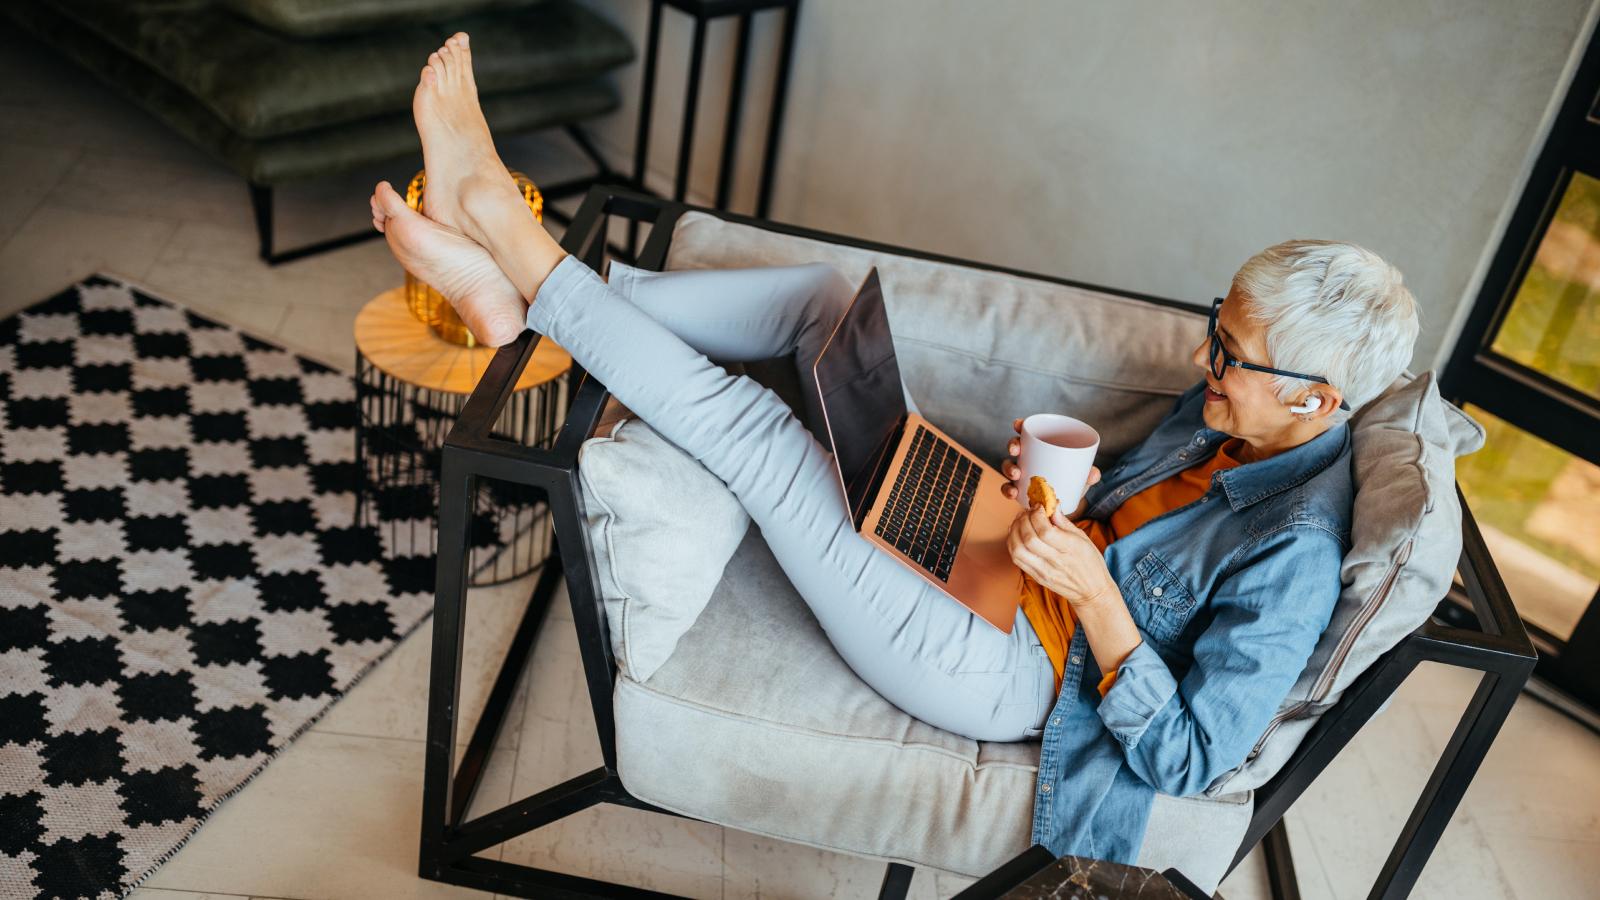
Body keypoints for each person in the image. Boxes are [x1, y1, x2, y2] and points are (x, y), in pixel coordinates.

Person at [370, 32, 1421, 865]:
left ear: (1318, 398)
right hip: (1005, 552)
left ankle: (510, 237)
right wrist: (1069, 504)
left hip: (1012, 672)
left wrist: (1095, 596)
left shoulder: (1297, 555)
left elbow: (1190, 758)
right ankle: (536, 298)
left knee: (763, 437)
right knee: (823, 300)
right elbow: (1138, 534)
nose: (1206, 362)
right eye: (1216, 327)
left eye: (1232, 354)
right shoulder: (1234, 415)